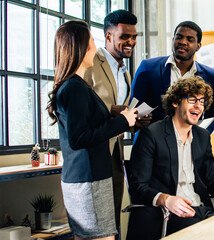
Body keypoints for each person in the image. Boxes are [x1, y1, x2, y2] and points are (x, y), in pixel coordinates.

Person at [47, 20, 137, 240]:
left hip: (87, 179)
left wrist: (112, 116)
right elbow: (80, 138)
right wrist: (122, 122)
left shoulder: (74, 86)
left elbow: (85, 128)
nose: (96, 48)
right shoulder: (74, 88)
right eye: (92, 42)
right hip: (89, 181)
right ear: (80, 48)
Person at [127, 76, 214, 240]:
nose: (198, 106)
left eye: (202, 102)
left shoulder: (202, 136)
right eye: (192, 99)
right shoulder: (152, 134)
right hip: (168, 215)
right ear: (175, 102)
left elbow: (210, 179)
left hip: (201, 210)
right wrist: (166, 200)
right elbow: (138, 187)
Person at [84, 10, 151, 235]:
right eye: (124, 36)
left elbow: (118, 114)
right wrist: (111, 111)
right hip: (92, 154)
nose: (131, 42)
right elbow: (80, 105)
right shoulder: (90, 62)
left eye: (134, 37)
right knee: (96, 226)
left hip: (115, 152)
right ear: (109, 36)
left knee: (112, 220)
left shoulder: (126, 72)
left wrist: (133, 121)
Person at [131, 21, 214, 133]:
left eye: (190, 39)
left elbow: (213, 115)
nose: (183, 42)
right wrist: (141, 118)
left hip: (189, 144)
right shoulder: (148, 67)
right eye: (179, 37)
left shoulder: (210, 76)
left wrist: (198, 138)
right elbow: (135, 107)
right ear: (173, 40)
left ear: (198, 46)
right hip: (151, 142)